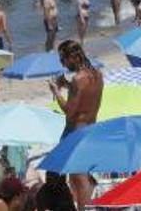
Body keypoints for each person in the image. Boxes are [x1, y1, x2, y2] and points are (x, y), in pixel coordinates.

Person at [50, 41, 103, 210]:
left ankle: (83, 208)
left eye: (63, 59)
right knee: (80, 177)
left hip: (75, 133)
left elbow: (70, 112)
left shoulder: (78, 79)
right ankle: (87, 204)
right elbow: (86, 98)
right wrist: (67, 86)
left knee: (79, 179)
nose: (62, 64)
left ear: (73, 57)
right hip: (91, 129)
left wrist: (56, 91)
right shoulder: (97, 74)